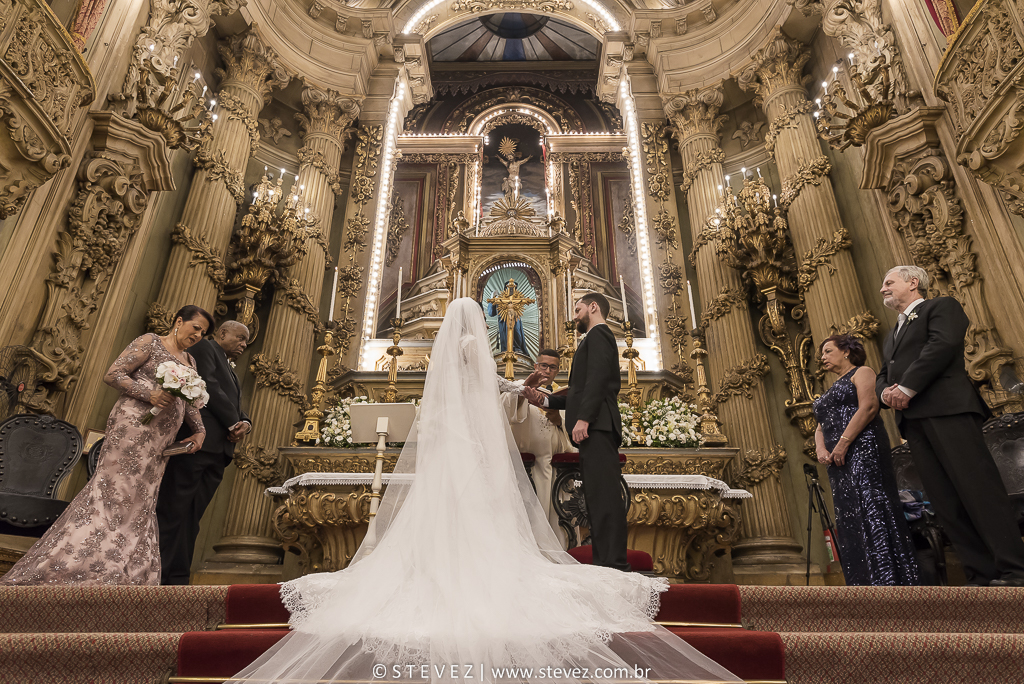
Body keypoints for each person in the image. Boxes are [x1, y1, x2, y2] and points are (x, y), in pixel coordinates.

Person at [226, 298, 738, 684]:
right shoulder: (481, 358)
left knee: (448, 514)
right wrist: (528, 389)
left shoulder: (461, 364)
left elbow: (528, 388)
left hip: (459, 448)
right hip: (474, 446)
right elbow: (499, 387)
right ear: (473, 330)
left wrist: (533, 391)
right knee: (486, 515)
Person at [1, 305, 211, 586]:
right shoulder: (150, 341)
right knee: (116, 490)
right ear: (178, 321)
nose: (198, 335)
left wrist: (199, 430)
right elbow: (114, 374)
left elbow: (188, 400)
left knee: (142, 498)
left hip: (161, 440)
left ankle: (126, 567)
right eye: (195, 327)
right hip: (133, 427)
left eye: (203, 333)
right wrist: (150, 394)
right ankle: (91, 564)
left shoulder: (190, 362)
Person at [876, 265, 1024, 587]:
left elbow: (941, 346)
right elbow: (883, 373)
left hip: (949, 411)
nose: (883, 289)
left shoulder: (942, 307)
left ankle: (1015, 569)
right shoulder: (892, 335)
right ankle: (980, 573)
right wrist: (885, 393)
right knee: (944, 501)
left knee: (978, 489)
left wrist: (907, 387)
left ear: (913, 283)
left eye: (889, 282)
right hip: (914, 422)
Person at [524, 292, 627, 571]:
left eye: (578, 309)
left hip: (598, 426)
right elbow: (579, 393)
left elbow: (597, 380)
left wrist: (584, 419)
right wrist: (543, 400)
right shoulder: (590, 340)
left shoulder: (599, 335)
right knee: (595, 495)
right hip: (594, 425)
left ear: (593, 307)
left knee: (604, 494)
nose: (574, 316)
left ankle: (614, 563)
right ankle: (605, 560)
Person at [813, 334, 919, 586]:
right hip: (838, 461)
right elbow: (820, 426)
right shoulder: (829, 389)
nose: (822, 358)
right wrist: (820, 449)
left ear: (846, 351)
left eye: (828, 351)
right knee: (850, 515)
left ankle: (889, 581)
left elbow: (869, 407)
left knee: (872, 507)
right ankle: (861, 583)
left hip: (862, 448)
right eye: (822, 354)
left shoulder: (862, 372)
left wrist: (842, 443)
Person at [157, 320, 251, 585]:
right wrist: (233, 421)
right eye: (240, 338)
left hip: (218, 450)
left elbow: (232, 400)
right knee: (173, 510)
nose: (244, 345)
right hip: (198, 445)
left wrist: (245, 422)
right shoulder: (206, 349)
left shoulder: (230, 367)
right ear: (222, 333)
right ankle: (158, 573)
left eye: (246, 341)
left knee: (192, 516)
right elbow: (208, 385)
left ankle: (177, 576)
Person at [498, 348, 575, 544]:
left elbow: (571, 437)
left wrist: (559, 420)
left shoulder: (564, 396)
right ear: (535, 366)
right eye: (543, 366)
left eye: (552, 367)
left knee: (553, 513)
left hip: (553, 469)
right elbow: (505, 411)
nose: (547, 370)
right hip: (525, 468)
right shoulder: (518, 386)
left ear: (558, 370)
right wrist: (524, 391)